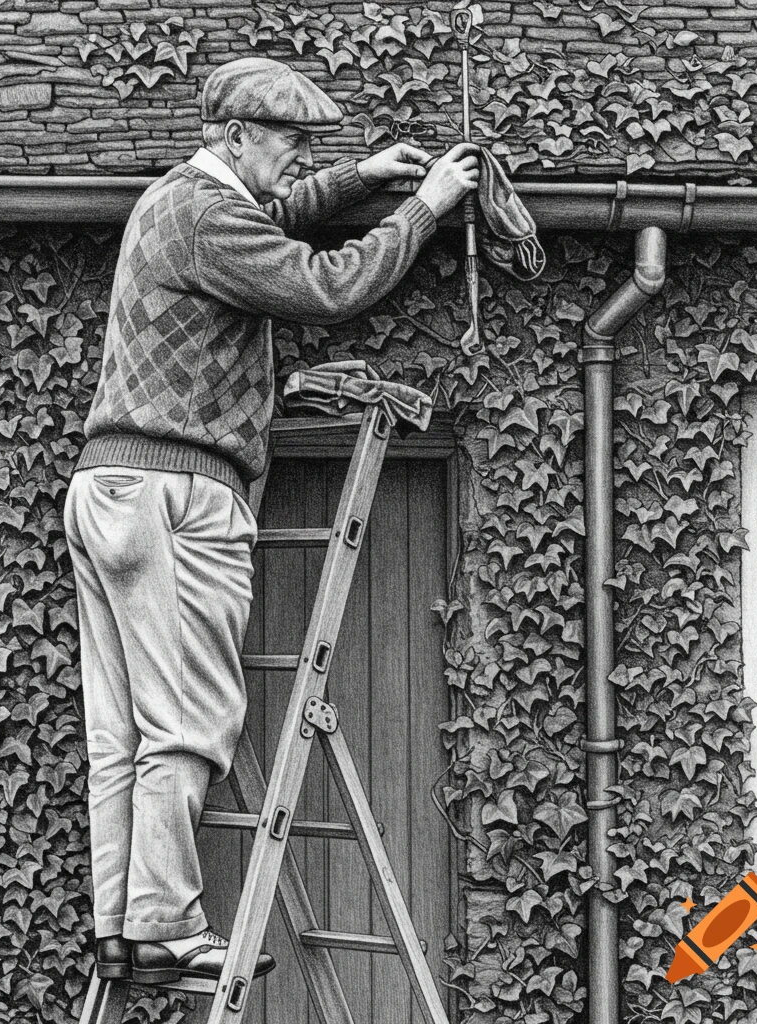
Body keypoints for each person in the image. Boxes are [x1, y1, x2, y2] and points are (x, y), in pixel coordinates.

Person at [63, 55, 481, 987]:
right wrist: (425, 205)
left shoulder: (179, 202)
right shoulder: (211, 215)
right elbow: (325, 286)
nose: (300, 157)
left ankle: (122, 928)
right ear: (233, 134)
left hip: (110, 490)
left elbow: (267, 220)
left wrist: (356, 179)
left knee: (120, 733)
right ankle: (169, 926)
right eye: (290, 140)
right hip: (180, 496)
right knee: (188, 721)